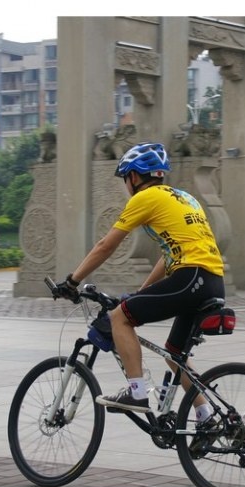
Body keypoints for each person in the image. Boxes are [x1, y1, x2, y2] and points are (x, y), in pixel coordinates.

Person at [56, 142, 224, 426]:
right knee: (174, 354)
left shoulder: (145, 198)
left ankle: (137, 394)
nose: (126, 185)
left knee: (120, 318)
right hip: (212, 281)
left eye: (125, 179)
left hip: (190, 277)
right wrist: (143, 292)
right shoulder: (185, 198)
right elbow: (168, 254)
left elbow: (105, 246)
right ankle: (206, 416)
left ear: (133, 177)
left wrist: (73, 281)